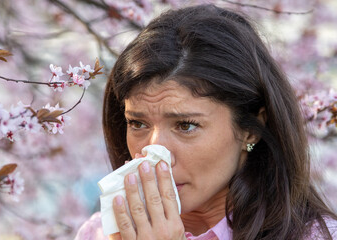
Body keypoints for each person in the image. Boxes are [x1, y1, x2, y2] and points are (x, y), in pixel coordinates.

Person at [75, 4, 337, 240]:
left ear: (249, 130)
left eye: (185, 125)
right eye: (138, 124)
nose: (154, 153)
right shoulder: (100, 232)